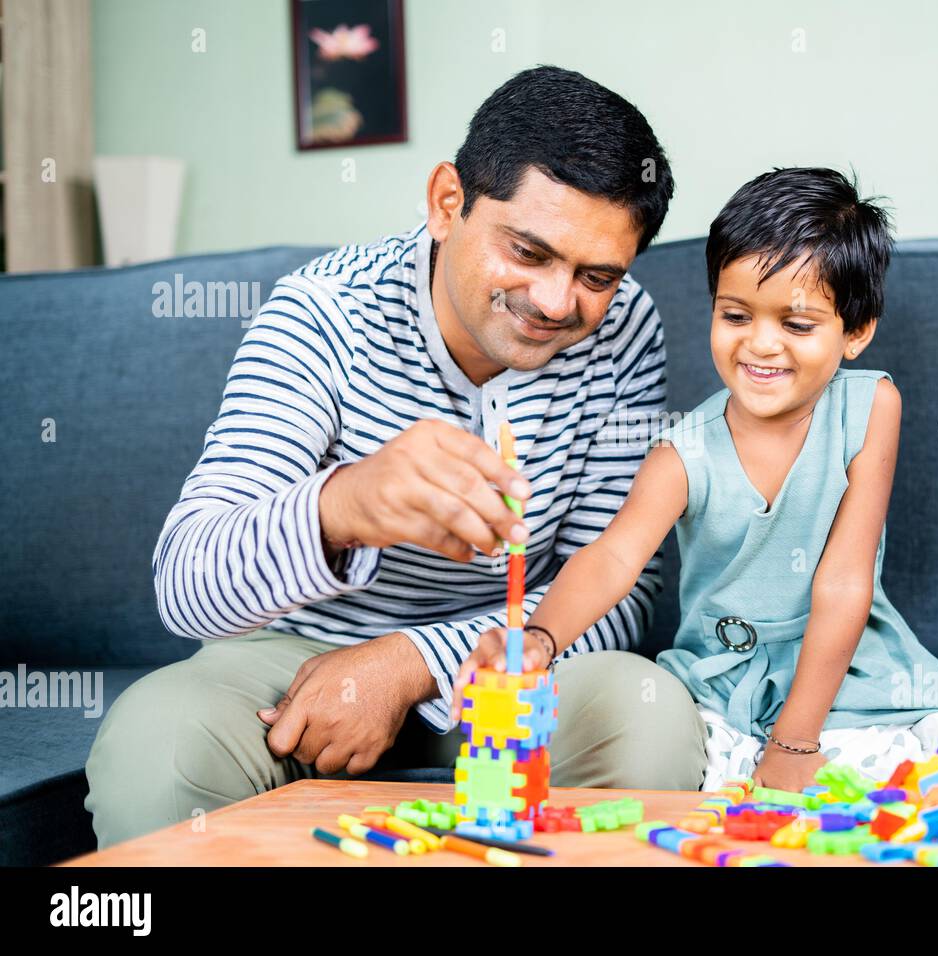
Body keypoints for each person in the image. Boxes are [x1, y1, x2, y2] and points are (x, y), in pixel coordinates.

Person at [83, 65, 708, 850]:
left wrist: (409, 663)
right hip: (294, 665)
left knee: (642, 712)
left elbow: (624, 592)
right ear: (448, 202)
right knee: (158, 742)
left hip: (512, 660)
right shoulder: (321, 314)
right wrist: (343, 506)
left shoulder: (625, 331)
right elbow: (186, 585)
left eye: (597, 276)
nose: (556, 304)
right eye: (527, 250)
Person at [453, 167, 938, 793]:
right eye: (736, 315)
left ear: (855, 331)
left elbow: (844, 581)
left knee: (927, 795)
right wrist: (539, 636)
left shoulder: (870, 409)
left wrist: (795, 741)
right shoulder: (683, 452)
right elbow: (614, 556)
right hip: (722, 685)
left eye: (797, 325)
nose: (761, 345)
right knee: (711, 807)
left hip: (847, 677)